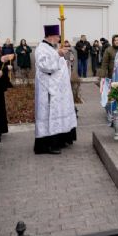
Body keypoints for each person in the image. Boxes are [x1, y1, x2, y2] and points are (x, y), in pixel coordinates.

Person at [34, 25, 77, 154]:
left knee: (59, 113)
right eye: (57, 36)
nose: (59, 39)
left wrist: (66, 60)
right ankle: (49, 145)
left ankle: (61, 139)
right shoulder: (41, 48)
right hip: (48, 90)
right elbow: (45, 66)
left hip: (58, 88)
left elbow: (59, 64)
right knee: (49, 116)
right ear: (51, 36)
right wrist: (57, 54)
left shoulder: (51, 47)